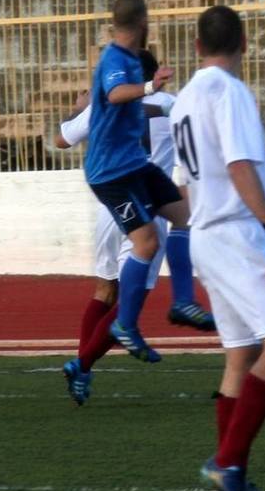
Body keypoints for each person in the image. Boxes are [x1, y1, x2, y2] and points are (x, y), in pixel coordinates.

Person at [172, 5, 265, 491]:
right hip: (236, 232)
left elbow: (184, 184)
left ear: (197, 46)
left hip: (203, 233)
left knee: (241, 353)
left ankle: (228, 484)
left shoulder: (184, 99)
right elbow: (239, 164)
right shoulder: (229, 91)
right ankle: (227, 465)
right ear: (243, 43)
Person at [61, 0, 198, 406]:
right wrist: (151, 87)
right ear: (143, 23)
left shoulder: (122, 70)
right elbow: (119, 94)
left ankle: (180, 303)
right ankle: (113, 337)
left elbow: (64, 136)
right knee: (147, 248)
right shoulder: (123, 67)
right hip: (117, 181)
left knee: (181, 218)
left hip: (128, 180)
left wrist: (81, 110)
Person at [54, 47, 215, 349]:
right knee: (132, 295)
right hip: (150, 209)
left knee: (104, 290)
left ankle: (81, 364)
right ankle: (84, 361)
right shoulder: (170, 104)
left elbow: (62, 140)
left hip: (111, 208)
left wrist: (79, 108)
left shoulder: (103, 104)